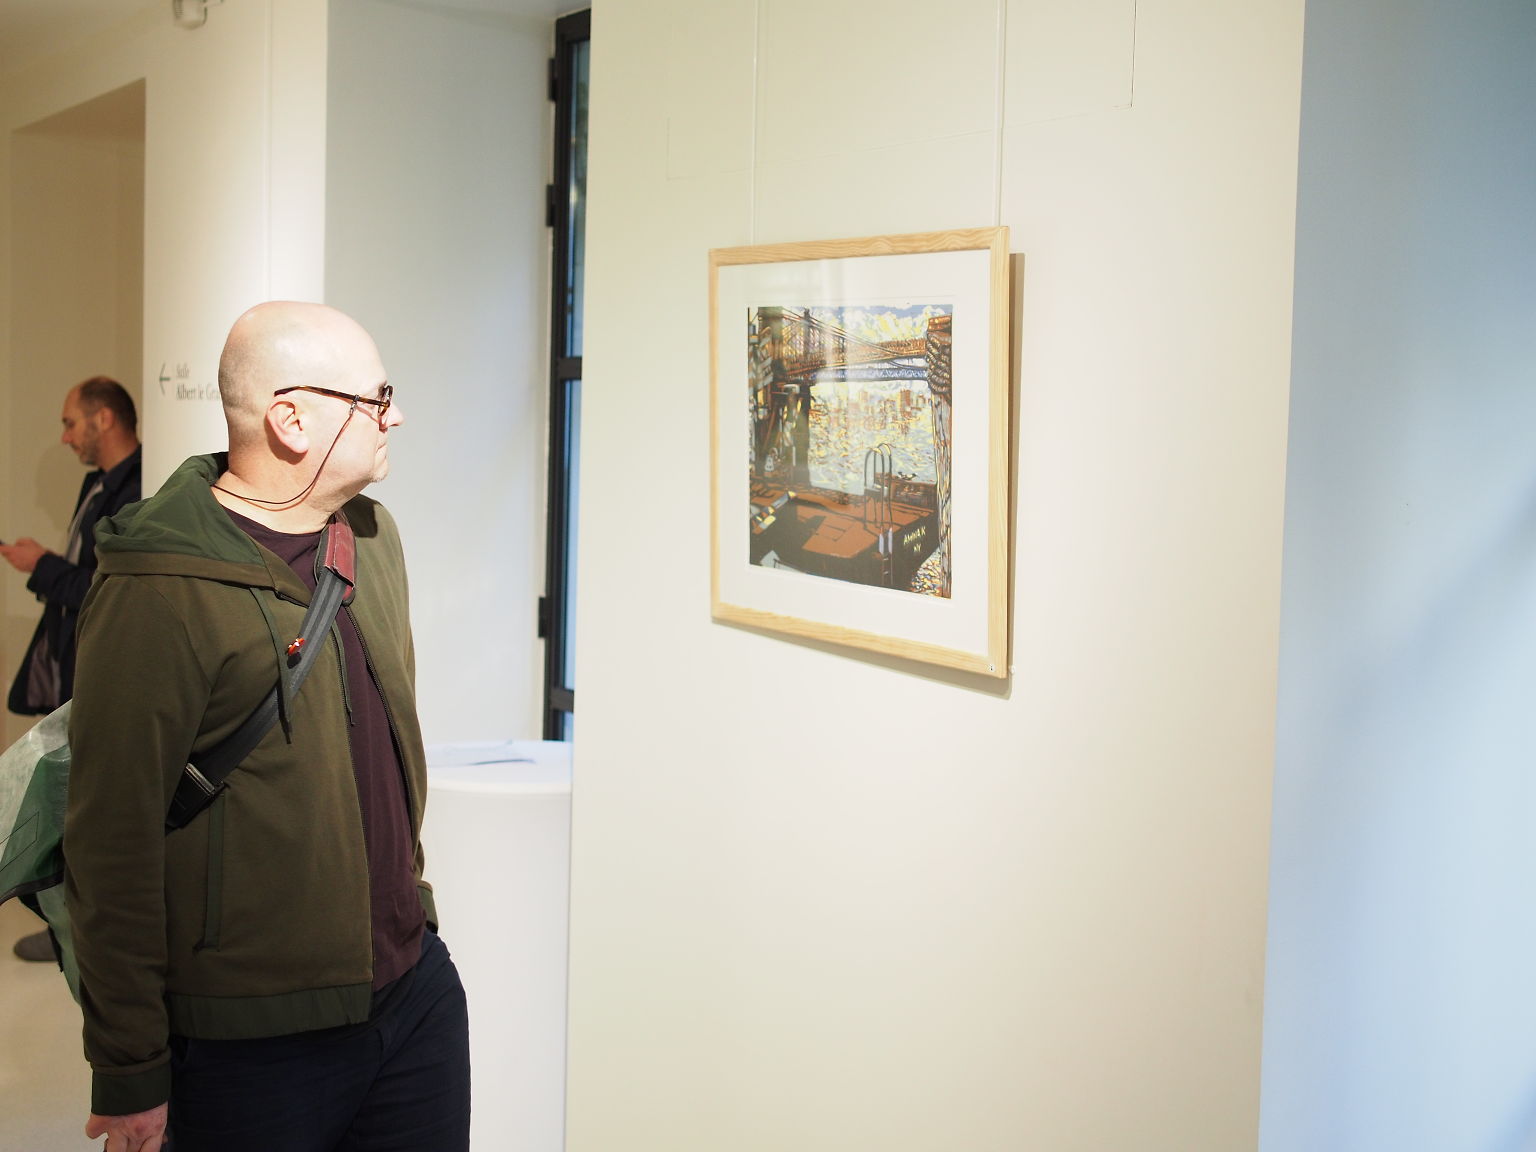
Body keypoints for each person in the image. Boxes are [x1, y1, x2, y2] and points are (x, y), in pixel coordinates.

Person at [64, 301, 469, 1152]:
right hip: (249, 1041)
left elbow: (383, 751)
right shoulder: (157, 587)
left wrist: (415, 912)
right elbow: (110, 841)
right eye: (377, 397)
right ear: (291, 419)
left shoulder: (372, 538)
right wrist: (131, 1065)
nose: (396, 415)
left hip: (413, 999)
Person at [2, 375, 141, 962]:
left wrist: (42, 566)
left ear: (102, 418)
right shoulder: (97, 483)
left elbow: (109, 593)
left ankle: (81, 936)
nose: (64, 437)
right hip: (76, 667)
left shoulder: (138, 487)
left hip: (106, 674)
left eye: (69, 422)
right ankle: (68, 930)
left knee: (90, 809)